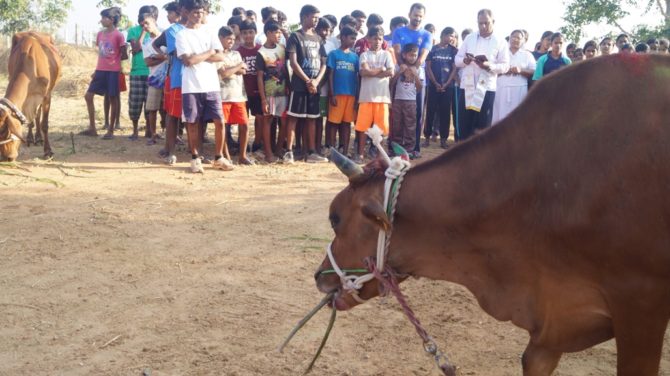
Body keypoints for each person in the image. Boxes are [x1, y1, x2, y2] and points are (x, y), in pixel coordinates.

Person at [175, 0, 229, 173]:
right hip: (191, 85)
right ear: (186, 12)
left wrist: (203, 56)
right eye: (195, 12)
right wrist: (210, 52)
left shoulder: (210, 32)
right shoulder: (182, 34)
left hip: (211, 84)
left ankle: (219, 157)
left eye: (201, 12)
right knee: (192, 122)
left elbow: (221, 57)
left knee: (219, 120)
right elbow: (188, 61)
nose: (198, 15)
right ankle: (195, 157)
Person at [454, 9, 510, 140]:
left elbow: (505, 66)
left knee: (482, 125)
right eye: (480, 23)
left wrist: (489, 65)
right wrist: (465, 60)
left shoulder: (500, 41)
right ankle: (463, 154)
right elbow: (457, 59)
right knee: (465, 123)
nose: (483, 26)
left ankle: (479, 157)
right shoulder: (469, 38)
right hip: (467, 86)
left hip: (486, 88)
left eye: (486, 23)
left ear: (493, 22)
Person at [285, 4, 328, 164]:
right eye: (314, 17)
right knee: (294, 118)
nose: (316, 20)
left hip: (314, 86)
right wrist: (307, 80)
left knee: (312, 119)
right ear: (304, 17)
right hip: (299, 84)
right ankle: (289, 152)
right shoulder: (295, 36)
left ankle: (311, 152)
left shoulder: (318, 39)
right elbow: (293, 62)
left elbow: (324, 63)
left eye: (317, 17)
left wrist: (316, 81)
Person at [392, 3, 432, 157]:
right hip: (400, 74)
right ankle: (396, 147)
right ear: (409, 14)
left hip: (418, 77)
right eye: (415, 15)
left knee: (417, 114)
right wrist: (403, 66)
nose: (417, 19)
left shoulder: (427, 34)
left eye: (421, 16)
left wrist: (414, 69)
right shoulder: (398, 32)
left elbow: (423, 54)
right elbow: (396, 51)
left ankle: (414, 148)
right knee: (398, 114)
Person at [83, 7, 127, 139]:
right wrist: (96, 70)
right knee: (88, 96)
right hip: (100, 70)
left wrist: (121, 62)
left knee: (113, 98)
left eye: (103, 18)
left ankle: (111, 130)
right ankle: (92, 128)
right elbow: (101, 54)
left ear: (111, 20)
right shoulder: (100, 34)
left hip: (113, 71)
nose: (101, 20)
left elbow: (124, 55)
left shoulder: (119, 35)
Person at [153, 3, 186, 165]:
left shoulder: (200, 29)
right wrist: (165, 56)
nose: (168, 16)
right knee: (172, 113)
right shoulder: (172, 31)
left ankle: (194, 151)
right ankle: (169, 148)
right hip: (175, 76)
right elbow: (179, 54)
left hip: (189, 77)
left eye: (170, 13)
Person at [354, 26, 394, 163]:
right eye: (374, 38)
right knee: (363, 128)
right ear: (368, 39)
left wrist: (372, 72)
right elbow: (363, 72)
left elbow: (390, 72)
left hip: (382, 97)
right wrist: (380, 70)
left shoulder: (386, 54)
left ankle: (380, 155)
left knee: (382, 129)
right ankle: (360, 154)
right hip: (366, 96)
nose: (377, 41)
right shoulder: (364, 55)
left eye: (380, 39)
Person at [256, 21, 288, 163]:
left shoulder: (282, 49)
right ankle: (268, 152)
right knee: (267, 121)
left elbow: (286, 70)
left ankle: (279, 149)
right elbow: (260, 76)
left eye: (280, 32)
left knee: (284, 121)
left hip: (282, 92)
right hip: (269, 93)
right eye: (276, 32)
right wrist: (263, 99)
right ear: (268, 33)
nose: (279, 35)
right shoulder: (261, 53)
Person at [218, 26, 249, 166]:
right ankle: (227, 156)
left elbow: (244, 71)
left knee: (245, 125)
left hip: (239, 95)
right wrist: (237, 67)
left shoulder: (236, 54)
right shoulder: (217, 55)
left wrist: (234, 69)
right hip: (223, 96)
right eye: (228, 39)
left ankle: (242, 156)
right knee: (223, 127)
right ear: (220, 38)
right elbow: (223, 73)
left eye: (232, 39)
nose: (231, 41)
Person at [326, 25, 359, 157]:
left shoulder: (355, 57)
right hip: (337, 94)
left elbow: (357, 77)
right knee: (333, 123)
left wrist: (357, 96)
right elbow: (330, 74)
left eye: (355, 38)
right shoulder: (334, 54)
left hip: (351, 95)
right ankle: (333, 151)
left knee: (346, 124)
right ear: (343, 37)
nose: (353, 41)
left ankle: (344, 152)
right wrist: (332, 93)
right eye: (351, 38)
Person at [492, 30, 536, 125]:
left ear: (523, 41)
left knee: (518, 118)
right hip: (501, 89)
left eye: (518, 38)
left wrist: (520, 70)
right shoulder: (501, 53)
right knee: (499, 117)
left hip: (519, 90)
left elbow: (533, 71)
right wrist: (504, 70)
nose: (515, 39)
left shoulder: (527, 55)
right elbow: (492, 69)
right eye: (513, 37)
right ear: (510, 38)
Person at [127, 5, 158, 140]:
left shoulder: (158, 32)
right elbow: (136, 48)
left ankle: (149, 130)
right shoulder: (133, 31)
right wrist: (144, 32)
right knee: (135, 102)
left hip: (152, 72)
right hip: (137, 72)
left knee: (150, 104)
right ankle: (135, 130)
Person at [424, 27, 458, 149]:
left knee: (445, 114)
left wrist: (447, 84)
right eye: (449, 35)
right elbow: (428, 67)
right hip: (433, 86)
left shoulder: (454, 51)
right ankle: (427, 137)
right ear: (443, 35)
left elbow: (454, 69)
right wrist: (435, 83)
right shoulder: (433, 49)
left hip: (448, 87)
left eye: (453, 36)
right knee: (430, 112)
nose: (451, 38)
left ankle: (444, 139)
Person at [390, 43, 422, 156]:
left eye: (415, 55)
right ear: (404, 55)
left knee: (410, 126)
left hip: (411, 102)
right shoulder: (398, 67)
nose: (413, 57)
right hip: (398, 100)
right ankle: (396, 149)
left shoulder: (418, 69)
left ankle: (409, 150)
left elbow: (419, 88)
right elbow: (391, 84)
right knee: (397, 125)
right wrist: (399, 72)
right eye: (410, 55)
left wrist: (415, 75)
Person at [237, 19, 262, 158]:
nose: (248, 36)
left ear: (255, 33)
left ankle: (257, 144)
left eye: (251, 32)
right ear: (240, 34)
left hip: (258, 91)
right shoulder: (238, 52)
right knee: (243, 120)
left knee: (259, 118)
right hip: (242, 92)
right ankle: (243, 145)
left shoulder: (261, 49)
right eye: (245, 33)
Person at [140, 12, 166, 146]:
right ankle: (153, 134)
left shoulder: (165, 36)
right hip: (154, 78)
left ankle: (170, 134)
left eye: (147, 23)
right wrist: (161, 57)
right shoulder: (146, 43)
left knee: (168, 109)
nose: (145, 26)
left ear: (155, 22)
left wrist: (155, 57)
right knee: (152, 108)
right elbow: (147, 62)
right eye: (143, 24)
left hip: (168, 78)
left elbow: (169, 56)